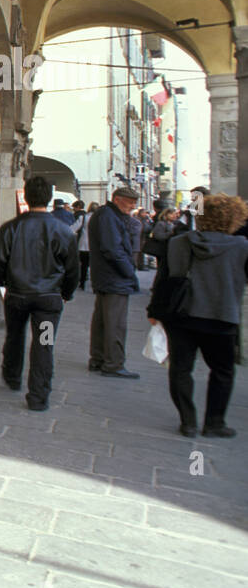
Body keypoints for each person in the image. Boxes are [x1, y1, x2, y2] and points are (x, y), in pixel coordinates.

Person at [150, 194, 248, 438]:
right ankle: (214, 422)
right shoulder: (241, 246)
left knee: (181, 369)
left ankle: (188, 421)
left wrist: (154, 311)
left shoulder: (178, 242)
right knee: (223, 371)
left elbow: (163, 279)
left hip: (182, 314)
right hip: (222, 315)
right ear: (235, 218)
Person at [0, 176, 80, 411]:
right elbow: (72, 269)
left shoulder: (9, 228)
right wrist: (66, 293)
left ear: (27, 196)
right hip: (48, 300)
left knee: (15, 334)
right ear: (49, 198)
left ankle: (12, 376)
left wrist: (4, 282)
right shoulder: (64, 231)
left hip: (17, 296)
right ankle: (39, 396)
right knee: (44, 344)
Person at [89, 186, 141, 378]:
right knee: (115, 323)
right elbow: (112, 249)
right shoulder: (108, 217)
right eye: (130, 202)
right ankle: (113, 363)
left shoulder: (107, 215)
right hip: (114, 277)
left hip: (106, 276)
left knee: (103, 320)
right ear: (118, 199)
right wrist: (129, 271)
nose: (133, 206)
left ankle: (99, 358)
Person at [74, 201, 98, 291]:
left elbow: (73, 228)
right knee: (94, 266)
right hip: (95, 246)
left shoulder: (83, 217)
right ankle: (95, 284)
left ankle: (82, 283)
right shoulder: (99, 219)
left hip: (83, 244)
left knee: (83, 265)